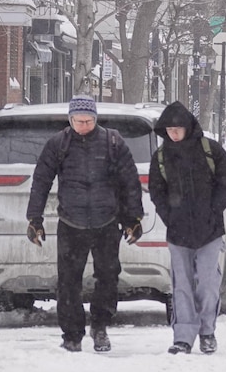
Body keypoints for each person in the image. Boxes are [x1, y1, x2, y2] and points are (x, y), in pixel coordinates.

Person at [25, 95, 144, 353]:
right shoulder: (59, 143)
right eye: (78, 121)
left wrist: (133, 219)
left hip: (107, 222)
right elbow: (41, 181)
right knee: (68, 282)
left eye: (88, 121)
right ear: (70, 120)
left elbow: (130, 182)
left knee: (108, 277)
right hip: (71, 222)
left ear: (96, 119)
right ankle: (72, 334)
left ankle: (100, 327)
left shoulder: (113, 142)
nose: (83, 125)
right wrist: (35, 218)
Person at [148, 101, 226, 356]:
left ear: (188, 128)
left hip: (209, 231)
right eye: (169, 130)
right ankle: (183, 337)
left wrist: (213, 209)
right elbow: (157, 191)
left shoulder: (210, 151)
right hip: (178, 233)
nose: (173, 134)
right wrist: (169, 215)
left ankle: (207, 332)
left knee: (209, 283)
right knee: (182, 286)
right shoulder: (162, 157)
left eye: (178, 129)